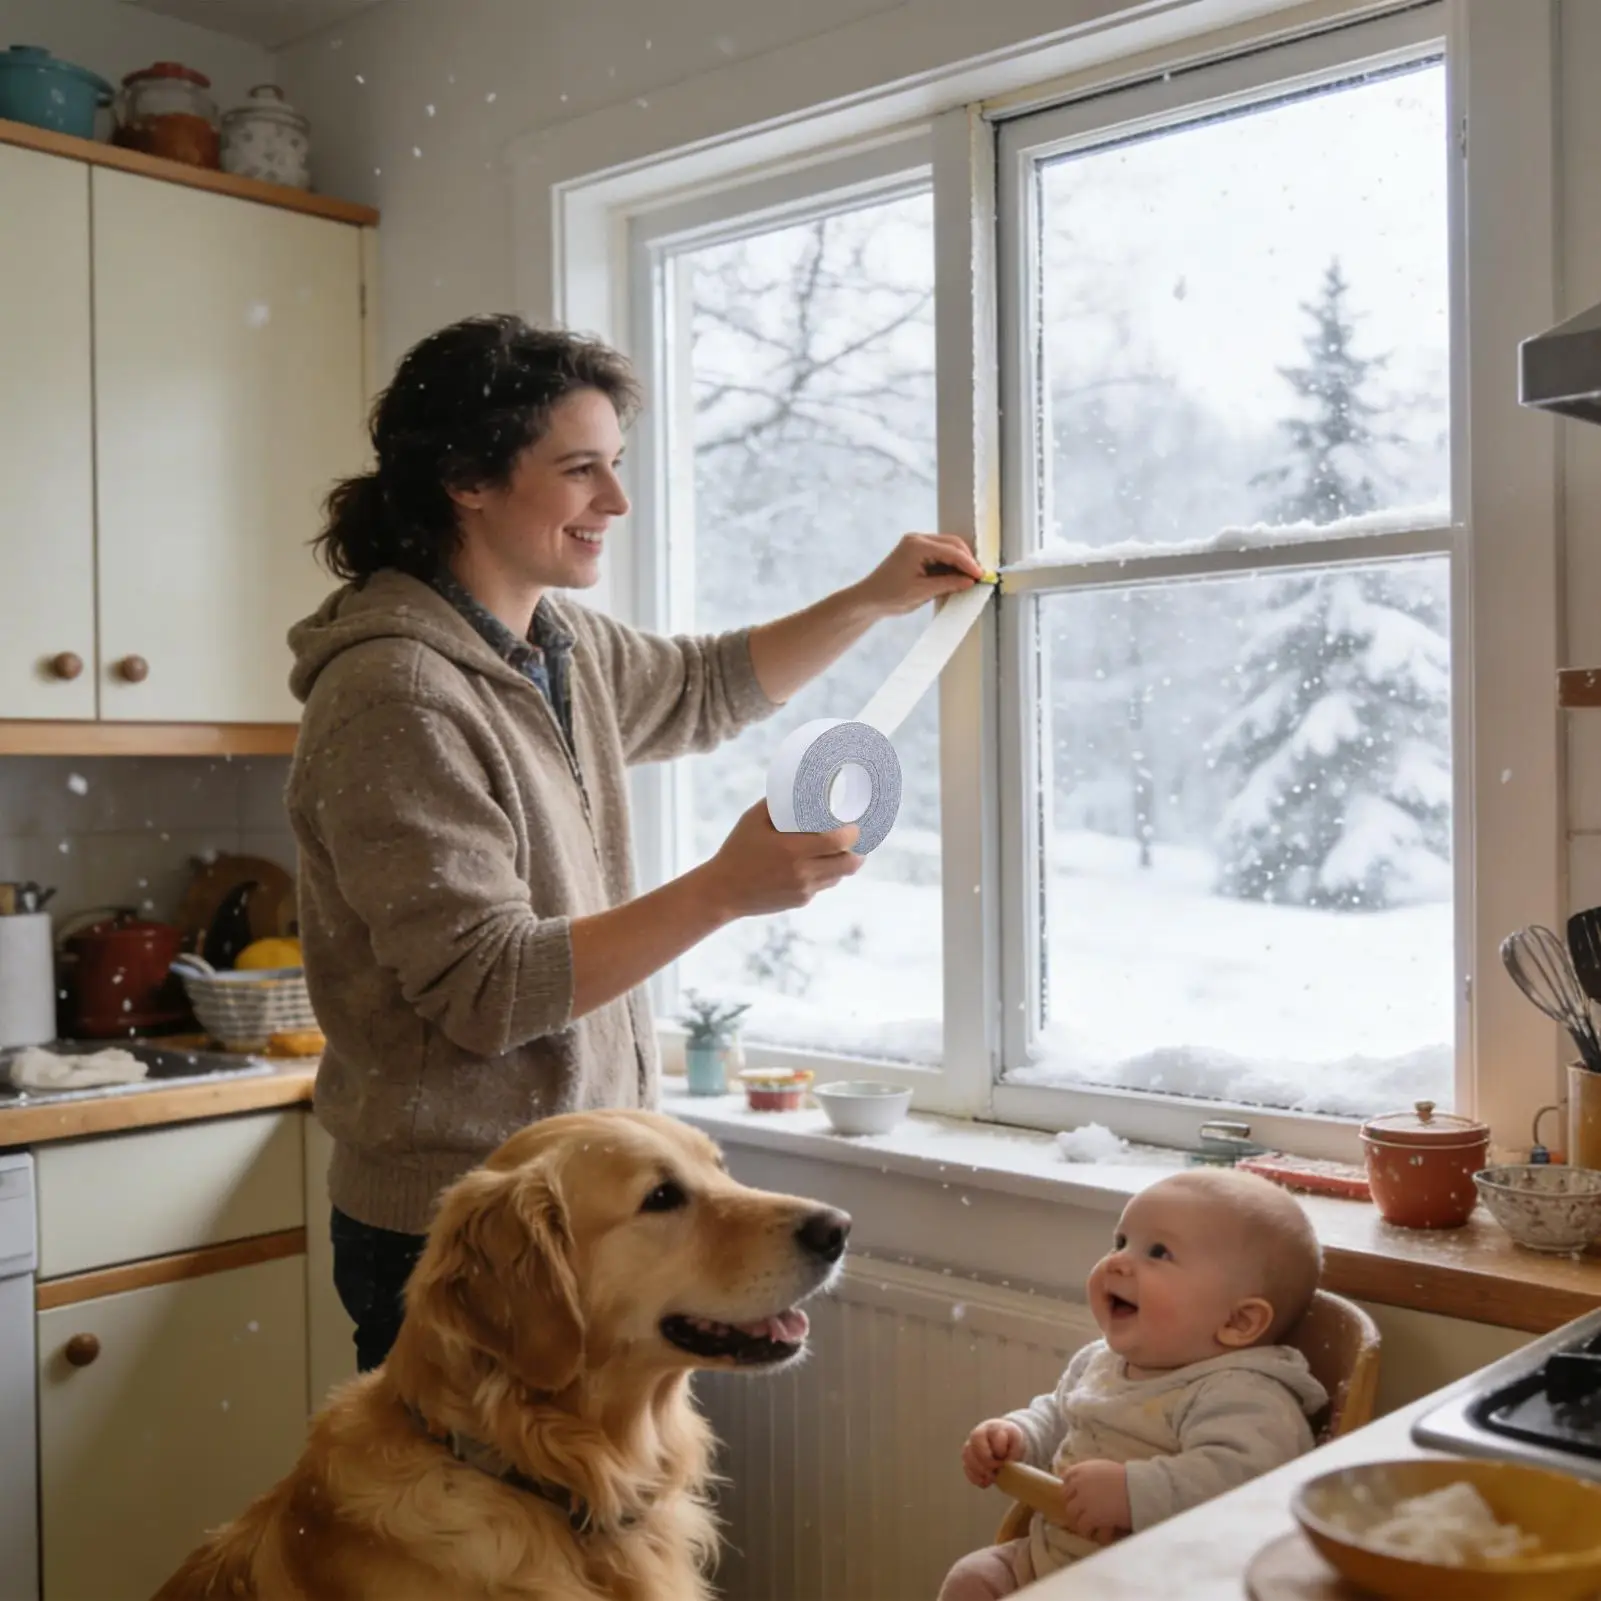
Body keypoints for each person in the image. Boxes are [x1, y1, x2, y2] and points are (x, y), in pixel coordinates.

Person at [285, 313, 984, 1372]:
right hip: (467, 1228)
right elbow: (488, 989)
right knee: (470, 1488)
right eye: (580, 470)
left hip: (585, 1209)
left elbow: (706, 686)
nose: (615, 500)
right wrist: (722, 889)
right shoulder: (398, 694)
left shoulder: (555, 643)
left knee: (596, 1484)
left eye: (615, 465)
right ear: (467, 478)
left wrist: (871, 601)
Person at [937, 1169, 1327, 1599]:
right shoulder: (1101, 1361)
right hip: (1052, 1560)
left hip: (1157, 1584)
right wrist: (1017, 1435)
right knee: (974, 1578)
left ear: (1239, 1321)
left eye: (1158, 1252)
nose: (1118, 1261)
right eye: (1121, 1242)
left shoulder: (1244, 1393)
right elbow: (1060, 1414)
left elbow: (1249, 1486)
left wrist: (1134, 1493)